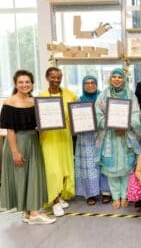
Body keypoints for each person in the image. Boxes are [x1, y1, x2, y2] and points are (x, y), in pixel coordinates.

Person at [0, 70, 56, 225]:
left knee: (33, 176)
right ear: (15, 84)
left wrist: (47, 125)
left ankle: (28, 212)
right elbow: (10, 130)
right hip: (17, 143)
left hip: (33, 141)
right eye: (21, 82)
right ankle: (35, 214)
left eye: (27, 82)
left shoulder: (35, 101)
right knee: (22, 176)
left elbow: (39, 124)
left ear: (32, 84)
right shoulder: (9, 103)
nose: (24, 85)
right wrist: (15, 152)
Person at [95, 68, 141, 210]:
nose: (116, 79)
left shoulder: (130, 95)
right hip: (109, 137)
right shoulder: (103, 96)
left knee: (126, 168)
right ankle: (116, 196)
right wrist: (112, 125)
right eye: (113, 76)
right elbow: (98, 115)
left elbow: (135, 115)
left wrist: (125, 126)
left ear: (124, 79)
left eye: (119, 77)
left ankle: (125, 195)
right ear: (110, 79)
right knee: (112, 168)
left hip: (125, 136)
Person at [39, 66, 77, 217]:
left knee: (63, 169)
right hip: (48, 140)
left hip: (64, 138)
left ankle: (59, 196)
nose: (56, 80)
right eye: (53, 77)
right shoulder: (41, 97)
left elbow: (76, 114)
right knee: (52, 171)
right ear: (47, 78)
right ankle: (54, 202)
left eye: (58, 77)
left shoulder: (70, 95)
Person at [74, 75, 111, 205]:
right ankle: (90, 193)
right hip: (85, 138)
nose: (90, 85)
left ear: (96, 84)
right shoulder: (78, 100)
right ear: (83, 86)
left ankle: (106, 192)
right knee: (88, 166)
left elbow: (110, 114)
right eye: (87, 83)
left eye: (93, 83)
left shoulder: (103, 98)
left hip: (102, 136)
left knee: (103, 163)